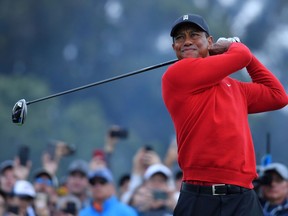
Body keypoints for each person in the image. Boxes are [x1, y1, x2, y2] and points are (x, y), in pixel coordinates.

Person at [161, 13, 288, 216]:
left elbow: (278, 96)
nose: (186, 42)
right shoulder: (177, 74)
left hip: (243, 198)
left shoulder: (235, 87)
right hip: (199, 197)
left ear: (210, 42)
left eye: (194, 35)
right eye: (179, 38)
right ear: (174, 47)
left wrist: (243, 55)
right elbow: (241, 56)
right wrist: (232, 45)